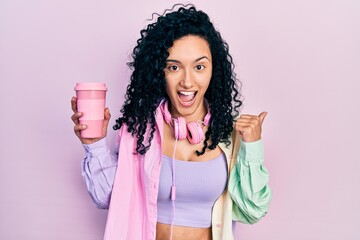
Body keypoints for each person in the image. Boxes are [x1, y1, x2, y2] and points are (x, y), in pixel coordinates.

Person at [71, 4, 271, 240]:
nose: (187, 81)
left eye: (199, 67)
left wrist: (253, 147)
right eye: (174, 67)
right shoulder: (140, 130)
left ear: (213, 71)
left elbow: (253, 210)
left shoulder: (229, 133)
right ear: (159, 71)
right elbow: (108, 198)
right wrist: (94, 144)